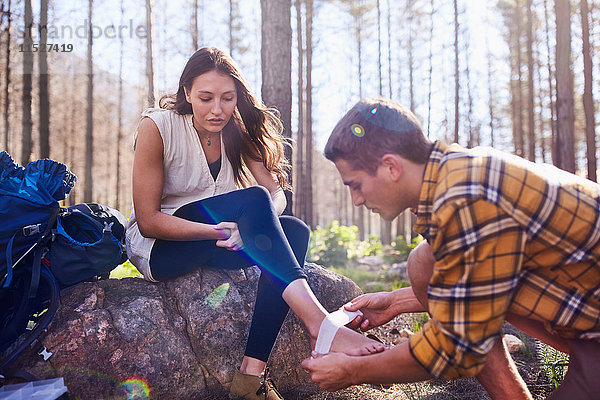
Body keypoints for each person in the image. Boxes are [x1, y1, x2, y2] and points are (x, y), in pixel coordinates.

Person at [125, 48, 385, 400]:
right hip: (163, 247)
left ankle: (251, 376)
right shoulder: (158, 126)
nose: (217, 109)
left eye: (227, 98)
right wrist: (218, 231)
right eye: (206, 98)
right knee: (254, 199)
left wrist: (241, 229)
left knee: (295, 232)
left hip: (218, 241)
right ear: (187, 93)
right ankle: (319, 323)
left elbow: (276, 193)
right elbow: (148, 221)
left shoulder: (236, 130)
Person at [301, 97, 600, 400]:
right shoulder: (453, 176)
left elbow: (457, 345)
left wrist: (354, 370)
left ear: (391, 166)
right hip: (585, 316)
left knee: (437, 285)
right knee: (424, 262)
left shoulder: (468, 197)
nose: (357, 200)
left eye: (356, 184)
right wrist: (394, 302)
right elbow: (475, 280)